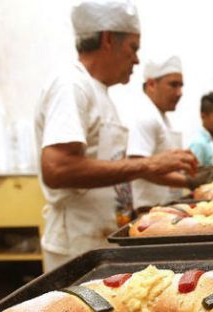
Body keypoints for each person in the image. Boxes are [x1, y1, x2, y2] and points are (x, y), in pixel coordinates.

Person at [35, 0, 198, 271]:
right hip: (77, 245)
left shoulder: (100, 93)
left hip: (100, 239)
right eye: (132, 48)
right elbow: (57, 167)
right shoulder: (71, 85)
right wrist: (148, 164)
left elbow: (109, 166)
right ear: (108, 40)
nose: (136, 60)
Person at [124, 55, 213, 210]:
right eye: (173, 85)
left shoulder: (161, 117)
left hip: (164, 206)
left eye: (181, 86)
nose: (179, 92)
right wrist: (188, 182)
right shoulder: (145, 117)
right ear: (152, 84)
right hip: (148, 210)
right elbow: (139, 169)